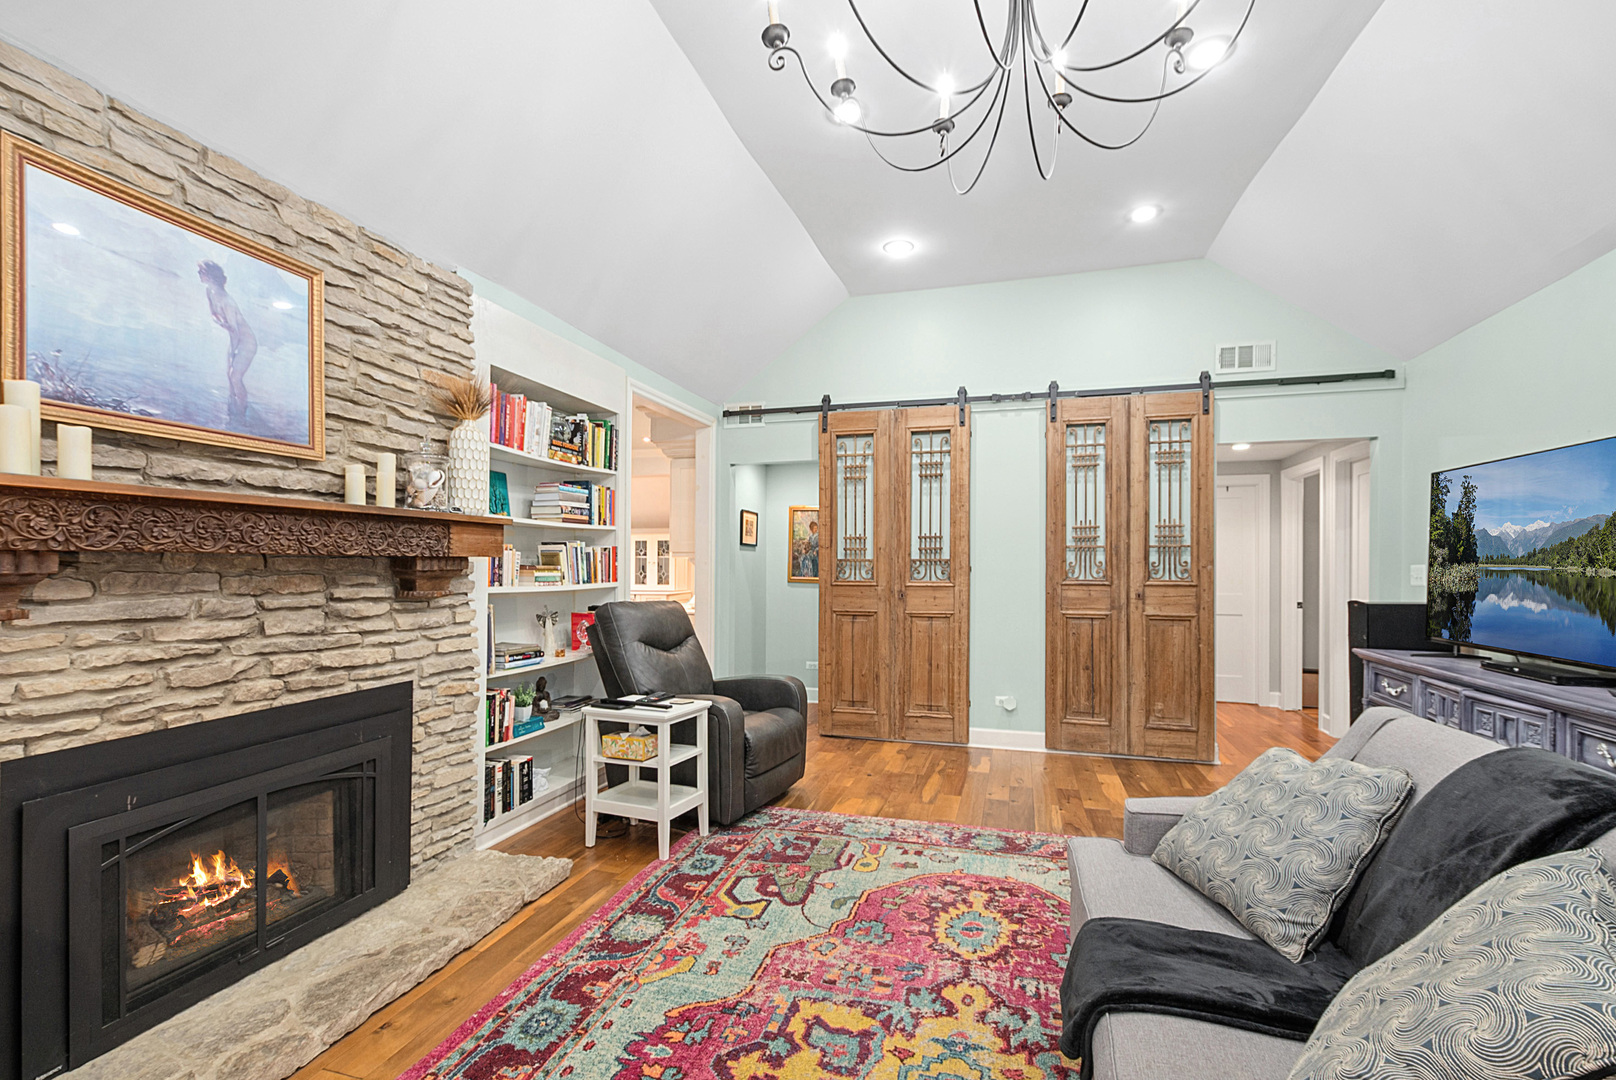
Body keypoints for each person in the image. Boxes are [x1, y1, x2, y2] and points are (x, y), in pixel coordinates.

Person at [198, 259, 257, 424]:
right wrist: (219, 322)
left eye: (201, 272)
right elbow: (213, 315)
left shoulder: (227, 301)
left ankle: (242, 412)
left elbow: (236, 330)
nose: (199, 275)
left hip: (246, 342)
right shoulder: (210, 292)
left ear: (209, 275)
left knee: (235, 376)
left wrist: (233, 351)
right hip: (234, 338)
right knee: (229, 375)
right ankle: (233, 413)